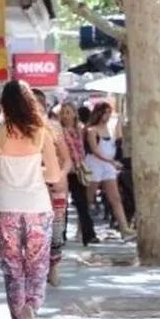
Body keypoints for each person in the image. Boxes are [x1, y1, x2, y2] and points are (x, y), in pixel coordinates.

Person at [0, 80, 62, 319]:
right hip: (38, 206)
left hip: (5, 207)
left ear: (4, 104)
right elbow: (54, 174)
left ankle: (19, 317)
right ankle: (32, 307)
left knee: (12, 267)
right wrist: (35, 172)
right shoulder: (42, 133)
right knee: (37, 265)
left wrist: (3, 175)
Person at [32, 89, 72, 288]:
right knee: (34, 230)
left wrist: (60, 175)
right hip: (31, 187)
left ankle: (54, 267)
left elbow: (67, 160)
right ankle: (38, 269)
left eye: (39, 107)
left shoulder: (54, 127)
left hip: (55, 186)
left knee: (56, 231)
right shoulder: (19, 129)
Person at [85, 102, 132, 234]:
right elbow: (95, 151)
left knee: (115, 198)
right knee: (89, 198)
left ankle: (124, 228)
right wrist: (111, 161)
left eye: (109, 113)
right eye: (105, 113)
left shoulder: (110, 129)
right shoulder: (91, 130)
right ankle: (82, 228)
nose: (107, 116)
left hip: (108, 165)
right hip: (94, 165)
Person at [59, 102, 98, 245]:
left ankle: (89, 234)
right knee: (61, 204)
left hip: (77, 169)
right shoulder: (59, 130)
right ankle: (60, 235)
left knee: (82, 203)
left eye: (68, 112)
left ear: (75, 114)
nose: (65, 115)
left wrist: (80, 164)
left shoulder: (80, 130)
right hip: (63, 170)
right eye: (63, 112)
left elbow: (82, 149)